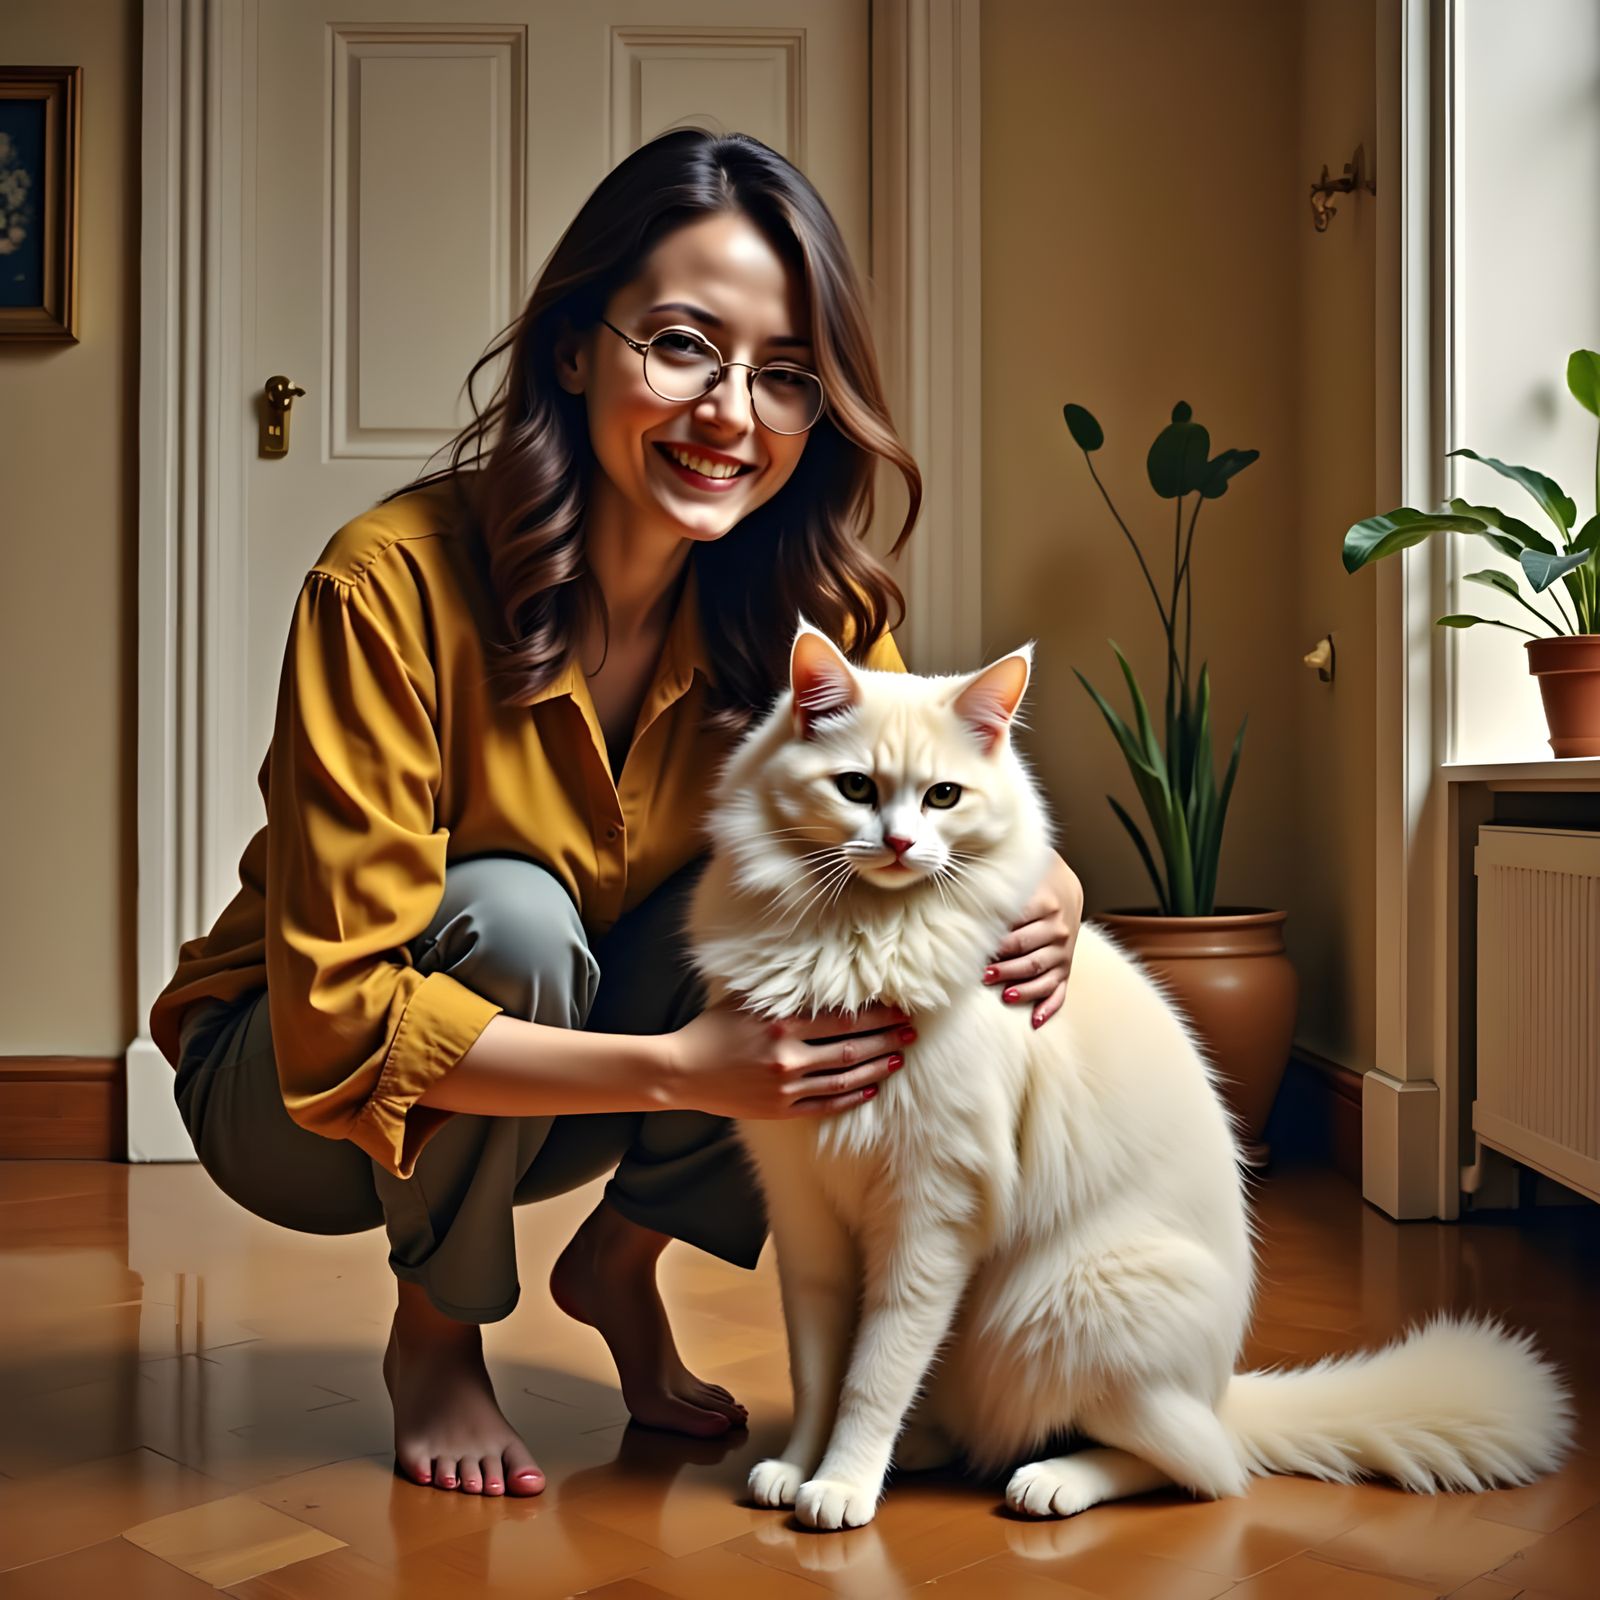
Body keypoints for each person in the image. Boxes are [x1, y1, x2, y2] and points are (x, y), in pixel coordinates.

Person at [148, 128, 1085, 1501]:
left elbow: (933, 826)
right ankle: (438, 1335)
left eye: (783, 376)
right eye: (684, 346)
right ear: (575, 349)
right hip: (297, 1097)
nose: (731, 412)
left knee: (828, 924)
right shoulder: (384, 589)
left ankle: (622, 1267)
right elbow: (341, 1020)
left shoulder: (815, 615)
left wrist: (1045, 889)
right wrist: (685, 1071)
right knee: (514, 915)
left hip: (579, 1066)